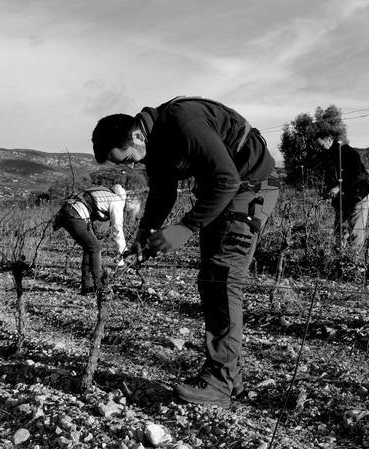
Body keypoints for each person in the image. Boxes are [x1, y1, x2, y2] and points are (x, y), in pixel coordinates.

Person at [91, 96, 279, 407]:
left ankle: (220, 382)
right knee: (210, 279)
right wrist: (144, 233)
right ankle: (230, 378)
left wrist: (184, 228)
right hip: (220, 192)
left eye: (128, 160)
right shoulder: (154, 144)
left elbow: (227, 179)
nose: (133, 166)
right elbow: (163, 192)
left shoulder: (182, 122)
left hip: (251, 186)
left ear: (137, 136)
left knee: (222, 276)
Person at [53, 184, 141, 296]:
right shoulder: (117, 201)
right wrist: (123, 254)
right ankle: (100, 288)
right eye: (130, 210)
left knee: (89, 247)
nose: (127, 213)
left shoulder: (110, 194)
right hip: (74, 212)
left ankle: (88, 287)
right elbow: (117, 229)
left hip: (68, 210)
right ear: (131, 204)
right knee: (96, 248)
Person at [314, 129, 369, 248]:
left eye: (321, 145)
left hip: (357, 196)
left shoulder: (348, 152)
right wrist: (328, 188)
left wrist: (338, 187)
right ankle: (341, 257)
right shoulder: (329, 156)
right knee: (338, 229)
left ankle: (354, 261)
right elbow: (331, 176)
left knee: (356, 231)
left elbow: (358, 176)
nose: (320, 149)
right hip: (342, 199)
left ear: (329, 140)